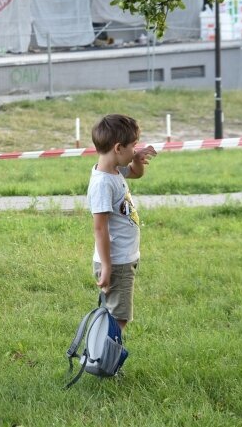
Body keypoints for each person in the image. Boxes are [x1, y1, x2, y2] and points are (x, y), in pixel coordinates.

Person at [87, 114, 157, 330]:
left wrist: (136, 160)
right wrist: (107, 266)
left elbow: (136, 173)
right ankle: (105, 361)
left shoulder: (113, 170)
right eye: (133, 147)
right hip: (116, 262)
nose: (135, 151)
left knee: (116, 315)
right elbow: (100, 228)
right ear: (118, 148)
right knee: (119, 318)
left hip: (122, 258)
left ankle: (101, 358)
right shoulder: (103, 183)